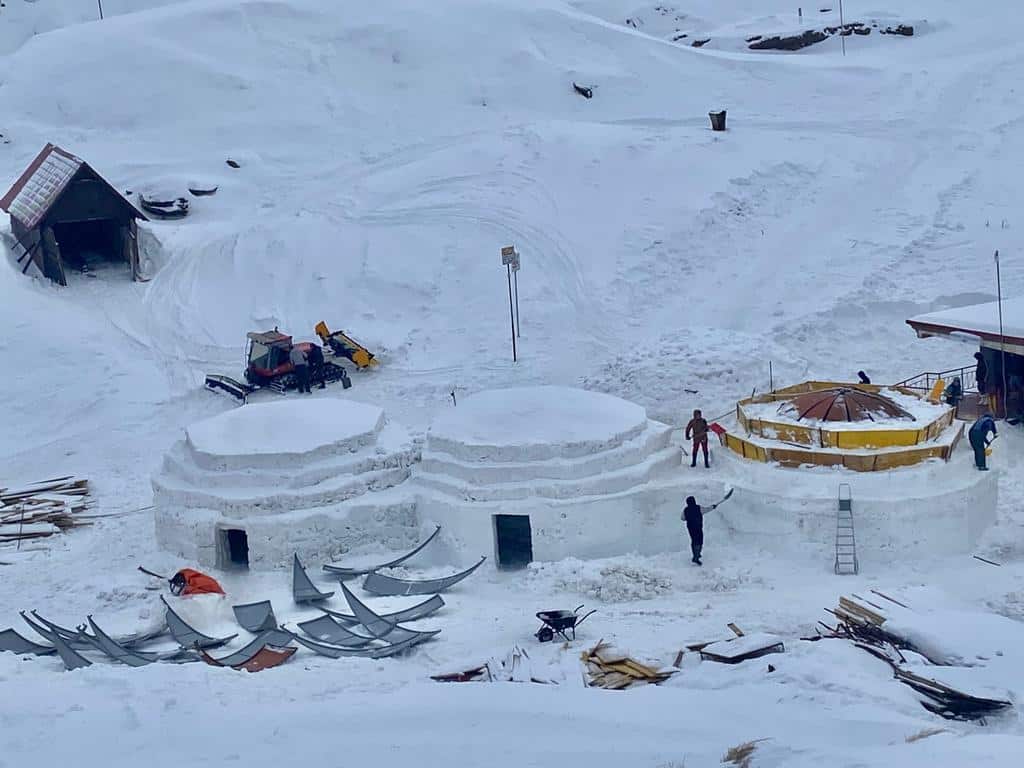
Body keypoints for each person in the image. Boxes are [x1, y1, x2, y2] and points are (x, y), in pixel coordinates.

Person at [681, 495, 719, 565]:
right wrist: (713, 507)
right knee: (699, 541)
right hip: (698, 527)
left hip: (690, 528)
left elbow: (682, 518)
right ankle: (696, 557)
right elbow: (707, 509)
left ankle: (696, 554)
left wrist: (688, 517)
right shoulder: (698, 508)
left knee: (694, 540)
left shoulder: (685, 510)